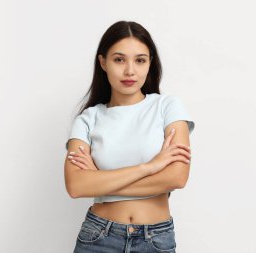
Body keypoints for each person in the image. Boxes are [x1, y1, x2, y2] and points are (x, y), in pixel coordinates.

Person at [64, 20, 195, 253]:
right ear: (103, 62)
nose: (130, 71)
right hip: (98, 238)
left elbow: (176, 177)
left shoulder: (168, 107)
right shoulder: (88, 118)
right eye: (119, 59)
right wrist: (150, 167)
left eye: (140, 60)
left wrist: (99, 181)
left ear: (149, 63)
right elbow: (76, 185)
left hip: (155, 239)